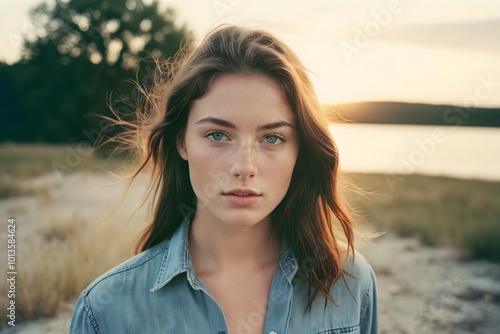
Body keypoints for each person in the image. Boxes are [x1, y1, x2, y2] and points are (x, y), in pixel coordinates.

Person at [70, 25, 378, 334]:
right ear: (182, 142)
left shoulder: (350, 281)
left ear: (300, 149)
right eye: (218, 135)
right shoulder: (106, 310)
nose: (244, 167)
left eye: (272, 138)